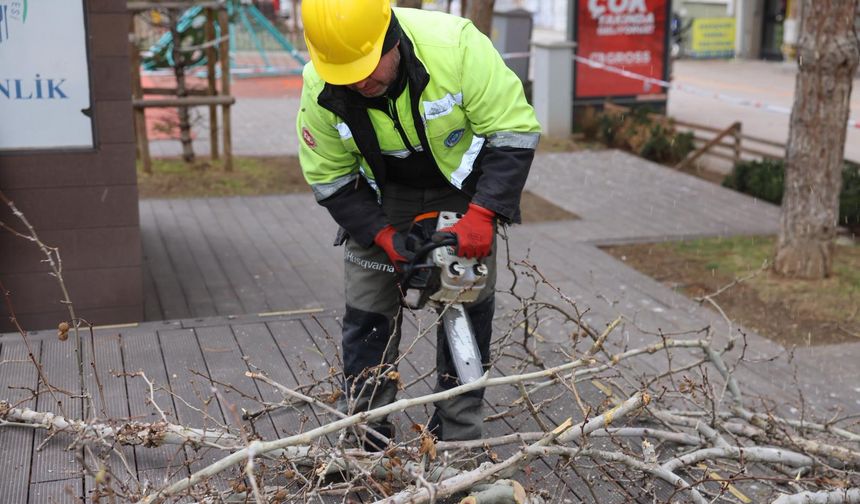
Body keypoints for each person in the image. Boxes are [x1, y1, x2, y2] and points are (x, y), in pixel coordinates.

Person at [296, 0, 540, 446]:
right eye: (345, 73)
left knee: (464, 304)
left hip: (461, 189)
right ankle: (367, 436)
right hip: (378, 198)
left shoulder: (456, 46)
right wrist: (384, 237)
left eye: (367, 68)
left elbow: (514, 131)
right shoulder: (320, 87)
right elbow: (329, 178)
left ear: (390, 36)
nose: (359, 82)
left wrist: (482, 216)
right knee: (368, 312)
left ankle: (457, 436)